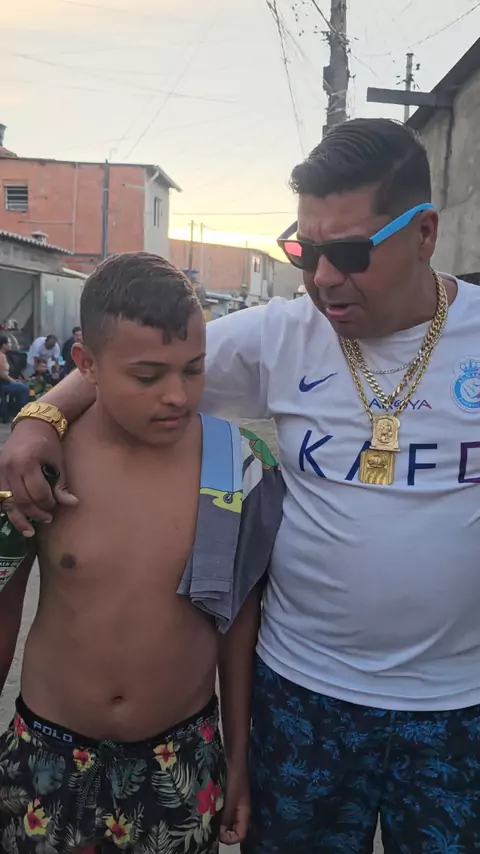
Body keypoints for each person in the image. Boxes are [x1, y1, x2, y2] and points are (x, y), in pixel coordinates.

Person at [3, 118, 480, 853]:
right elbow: (127, 361)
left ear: (424, 234)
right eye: (305, 252)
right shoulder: (282, 333)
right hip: (304, 695)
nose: (324, 278)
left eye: (349, 253)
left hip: (457, 703)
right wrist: (37, 420)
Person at [0, 253, 283, 853]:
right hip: (46, 757)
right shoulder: (36, 469)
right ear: (87, 364)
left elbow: (239, 627)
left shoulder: (237, 468)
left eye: (194, 369)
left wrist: (238, 757)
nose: (177, 395)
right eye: (148, 376)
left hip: (180, 764)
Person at [0, 333, 30, 414]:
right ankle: (22, 411)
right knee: (24, 389)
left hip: (5, 382)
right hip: (3, 384)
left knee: (20, 385)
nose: (11, 344)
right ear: (4, 345)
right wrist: (13, 381)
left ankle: (14, 409)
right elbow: (3, 375)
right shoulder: (1, 356)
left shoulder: (4, 355)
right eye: (9, 343)